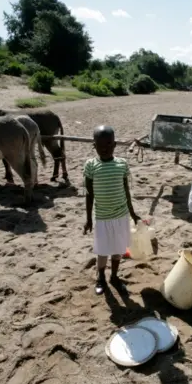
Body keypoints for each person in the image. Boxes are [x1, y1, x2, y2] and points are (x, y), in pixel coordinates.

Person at [83, 125, 140, 295]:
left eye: (108, 144)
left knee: (118, 249)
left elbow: (126, 191)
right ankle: (101, 277)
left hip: (121, 216)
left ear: (114, 144)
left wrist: (132, 213)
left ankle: (114, 276)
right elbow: (89, 194)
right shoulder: (91, 166)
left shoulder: (122, 164)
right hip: (102, 217)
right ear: (94, 146)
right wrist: (88, 219)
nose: (105, 149)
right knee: (102, 251)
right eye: (100, 146)